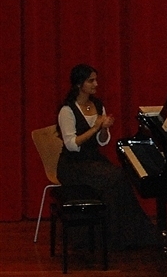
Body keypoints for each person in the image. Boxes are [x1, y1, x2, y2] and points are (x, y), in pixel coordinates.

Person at [57, 63, 160, 251]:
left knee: (117, 179)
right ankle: (122, 234)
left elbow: (102, 141)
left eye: (96, 80)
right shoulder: (67, 110)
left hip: (92, 160)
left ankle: (115, 235)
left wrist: (104, 129)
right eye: (91, 81)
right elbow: (72, 144)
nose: (96, 84)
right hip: (73, 164)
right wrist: (96, 127)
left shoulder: (97, 105)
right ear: (79, 84)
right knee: (116, 177)